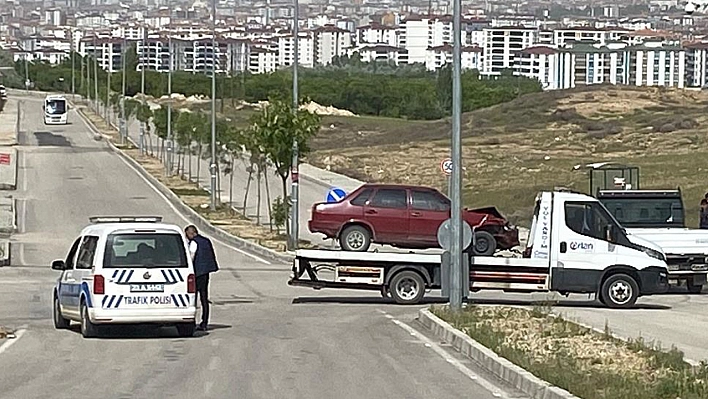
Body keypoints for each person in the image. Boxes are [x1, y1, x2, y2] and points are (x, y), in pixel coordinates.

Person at [184, 225, 219, 331]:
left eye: (187, 235)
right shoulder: (206, 240)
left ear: (190, 233)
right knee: (204, 298)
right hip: (205, 272)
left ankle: (192, 322)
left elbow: (191, 256)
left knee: (193, 298)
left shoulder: (194, 242)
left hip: (197, 273)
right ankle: (204, 322)